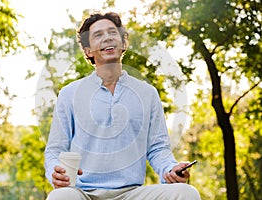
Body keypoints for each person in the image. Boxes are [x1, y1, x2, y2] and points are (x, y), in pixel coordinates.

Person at [44, 12, 201, 200]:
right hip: (83, 194)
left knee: (186, 193)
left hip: (132, 193)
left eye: (112, 32)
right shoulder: (70, 93)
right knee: (60, 197)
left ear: (123, 43)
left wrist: (170, 169)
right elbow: (55, 149)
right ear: (87, 50)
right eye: (98, 35)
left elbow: (158, 148)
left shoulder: (147, 93)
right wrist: (56, 172)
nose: (107, 37)